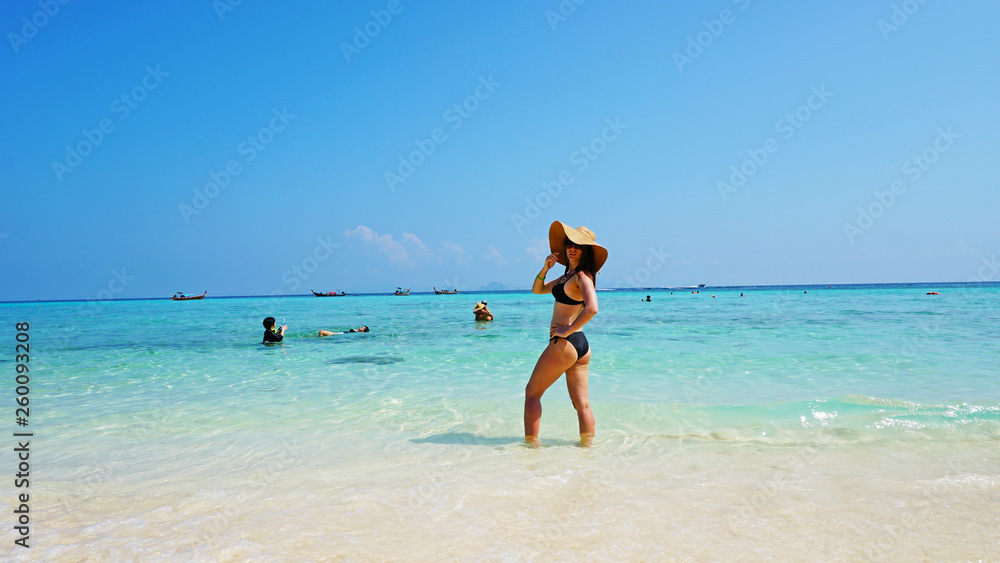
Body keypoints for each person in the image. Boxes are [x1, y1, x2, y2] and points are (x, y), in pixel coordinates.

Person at [525, 221, 607, 447]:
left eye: (578, 246)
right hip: (581, 346)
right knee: (582, 404)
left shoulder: (582, 276)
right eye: (569, 243)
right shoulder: (566, 277)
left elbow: (593, 308)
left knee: (532, 394)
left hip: (566, 342)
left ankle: (531, 448)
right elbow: (537, 289)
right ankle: (587, 449)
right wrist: (545, 268)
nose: (572, 248)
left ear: (586, 251)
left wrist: (567, 330)